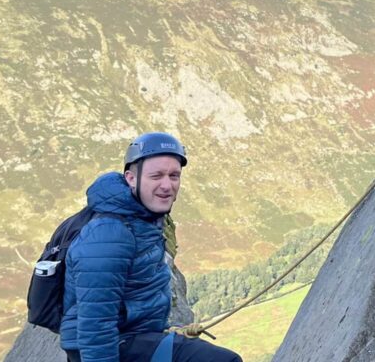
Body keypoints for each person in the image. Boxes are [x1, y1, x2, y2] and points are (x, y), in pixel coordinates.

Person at [60, 132, 242, 362]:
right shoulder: (109, 234)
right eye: (156, 176)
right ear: (131, 178)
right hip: (114, 346)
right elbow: (96, 327)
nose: (167, 185)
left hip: (136, 337)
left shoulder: (140, 217)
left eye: (174, 176)